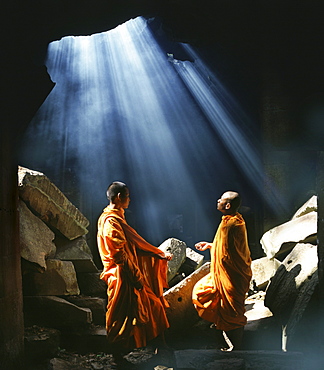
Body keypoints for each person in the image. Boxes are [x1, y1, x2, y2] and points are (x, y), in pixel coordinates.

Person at [97, 181, 172, 365]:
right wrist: (136, 277)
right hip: (122, 276)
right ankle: (117, 356)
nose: (130, 199)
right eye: (128, 196)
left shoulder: (118, 217)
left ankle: (160, 346)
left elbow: (133, 245)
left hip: (127, 275)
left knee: (155, 306)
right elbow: (118, 255)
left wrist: (157, 254)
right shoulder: (110, 221)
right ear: (119, 197)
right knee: (121, 317)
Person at [192, 191, 252, 350]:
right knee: (201, 292)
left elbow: (231, 252)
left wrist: (216, 249)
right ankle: (219, 331)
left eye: (221, 199)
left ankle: (237, 348)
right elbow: (227, 246)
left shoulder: (232, 224)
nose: (217, 200)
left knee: (233, 312)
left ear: (227, 205)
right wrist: (211, 245)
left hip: (232, 275)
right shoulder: (231, 220)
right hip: (223, 273)